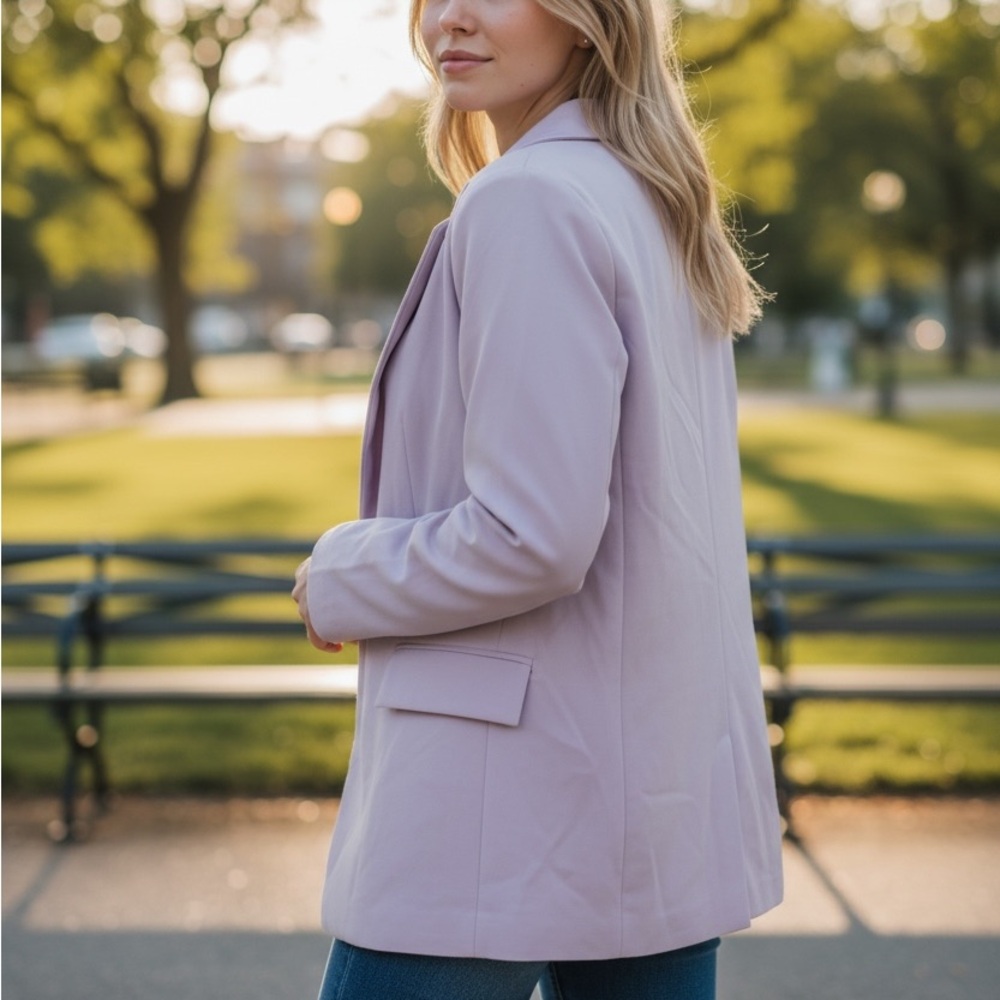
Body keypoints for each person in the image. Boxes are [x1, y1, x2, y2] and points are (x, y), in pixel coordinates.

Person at [292, 1, 784, 996]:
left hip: (489, 803)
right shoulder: (648, 200)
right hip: (645, 798)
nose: (449, 19)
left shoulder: (530, 201)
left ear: (590, 17)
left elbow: (531, 537)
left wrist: (341, 575)